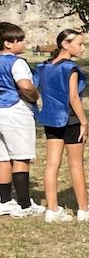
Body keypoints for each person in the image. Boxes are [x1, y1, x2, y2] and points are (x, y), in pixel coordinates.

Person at [38, 29, 89, 222]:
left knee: (52, 164)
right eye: (79, 44)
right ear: (65, 45)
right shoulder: (70, 68)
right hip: (70, 119)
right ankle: (83, 209)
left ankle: (52, 209)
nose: (82, 48)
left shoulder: (45, 66)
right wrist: (84, 121)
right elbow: (73, 96)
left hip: (50, 118)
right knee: (76, 164)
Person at [0, 21, 42, 217]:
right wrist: (34, 96)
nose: (23, 44)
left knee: (3, 158)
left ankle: (5, 200)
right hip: (15, 110)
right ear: (8, 43)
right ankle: (25, 204)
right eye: (20, 40)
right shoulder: (16, 62)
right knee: (21, 157)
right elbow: (25, 85)